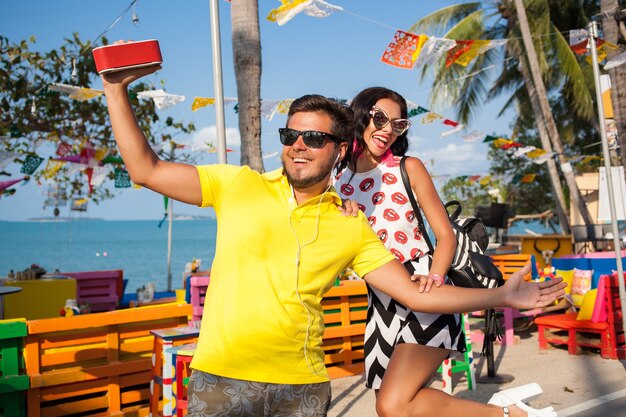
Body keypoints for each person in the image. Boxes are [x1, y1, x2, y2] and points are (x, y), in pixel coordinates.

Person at [100, 52, 565, 417]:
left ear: (338, 146)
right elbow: (145, 169)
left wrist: (501, 296)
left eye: (315, 138)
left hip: (326, 367)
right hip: (232, 378)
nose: (299, 144)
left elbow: (427, 273)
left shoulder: (367, 204)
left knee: (394, 403)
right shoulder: (244, 185)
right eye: (290, 135)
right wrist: (115, 89)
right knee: (394, 404)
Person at [335, 86, 557, 417]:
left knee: (391, 405)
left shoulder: (407, 167)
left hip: (426, 287)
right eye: (379, 118)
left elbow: (445, 235)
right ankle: (510, 412)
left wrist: (436, 276)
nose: (386, 130)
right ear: (360, 114)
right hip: (380, 300)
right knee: (404, 405)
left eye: (398, 125)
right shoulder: (339, 181)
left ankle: (509, 415)